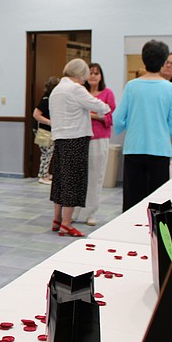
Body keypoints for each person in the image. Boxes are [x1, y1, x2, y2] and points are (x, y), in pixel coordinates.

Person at [114, 40, 172, 212]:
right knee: (157, 204)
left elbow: (118, 118)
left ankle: (129, 227)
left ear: (143, 59)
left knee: (132, 201)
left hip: (134, 148)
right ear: (163, 62)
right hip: (160, 150)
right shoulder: (170, 88)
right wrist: (166, 134)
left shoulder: (132, 86)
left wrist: (129, 127)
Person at [48, 59, 111, 237]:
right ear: (81, 74)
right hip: (76, 139)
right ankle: (66, 224)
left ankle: (57, 219)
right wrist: (104, 108)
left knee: (60, 180)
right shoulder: (75, 89)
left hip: (60, 139)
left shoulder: (57, 90)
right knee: (73, 181)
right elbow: (101, 106)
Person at [73, 63, 115, 226]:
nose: (93, 76)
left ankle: (91, 213)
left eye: (96, 73)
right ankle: (75, 211)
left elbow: (110, 116)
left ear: (101, 76)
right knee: (79, 177)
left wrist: (93, 116)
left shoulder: (107, 93)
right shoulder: (81, 92)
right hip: (80, 138)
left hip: (99, 139)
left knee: (95, 177)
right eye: (90, 73)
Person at [32, 76, 59, 184]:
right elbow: (36, 114)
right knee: (47, 153)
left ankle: (43, 173)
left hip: (45, 130)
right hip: (42, 130)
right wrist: (50, 122)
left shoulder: (50, 99)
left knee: (47, 153)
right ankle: (43, 176)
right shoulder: (46, 100)